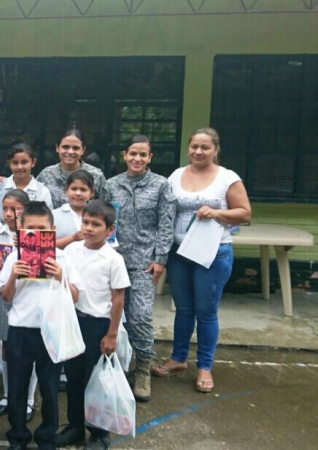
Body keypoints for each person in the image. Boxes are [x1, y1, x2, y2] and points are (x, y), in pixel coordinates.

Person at [152, 128, 251, 394]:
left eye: (205, 147)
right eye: (194, 146)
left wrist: (217, 212)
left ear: (216, 149)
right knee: (183, 309)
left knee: (206, 312)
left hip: (213, 253)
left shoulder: (227, 178)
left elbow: (245, 214)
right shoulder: (176, 175)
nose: (198, 152)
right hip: (179, 252)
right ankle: (178, 358)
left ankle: (205, 366)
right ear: (188, 148)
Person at [0, 201, 82, 450]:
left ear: (52, 230)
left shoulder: (63, 258)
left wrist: (60, 276)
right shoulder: (14, 256)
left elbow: (76, 296)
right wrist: (14, 274)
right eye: (30, 228)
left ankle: (47, 437)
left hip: (51, 329)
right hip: (20, 330)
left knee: (50, 387)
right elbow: (6, 296)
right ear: (22, 229)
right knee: (17, 386)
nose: (36, 233)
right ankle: (18, 436)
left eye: (42, 228)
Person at [104, 135, 175, 402]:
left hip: (145, 263)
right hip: (115, 260)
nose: (137, 159)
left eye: (143, 155)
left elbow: (166, 223)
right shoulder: (111, 185)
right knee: (109, 314)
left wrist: (161, 259)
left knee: (140, 316)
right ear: (125, 155)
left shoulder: (161, 185)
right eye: (133, 153)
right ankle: (114, 363)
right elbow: (104, 220)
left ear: (150, 157)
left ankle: (143, 367)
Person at [58, 199, 131, 450]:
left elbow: (118, 298)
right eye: (86, 222)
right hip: (72, 321)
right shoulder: (71, 251)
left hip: (98, 325)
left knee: (96, 380)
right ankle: (75, 426)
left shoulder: (113, 259)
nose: (88, 228)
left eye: (96, 224)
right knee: (74, 378)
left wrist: (112, 334)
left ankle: (99, 432)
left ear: (109, 230)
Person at [0, 190, 38, 422]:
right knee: (6, 345)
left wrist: (27, 244)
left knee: (31, 352)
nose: (9, 214)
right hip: (3, 295)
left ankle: (28, 399)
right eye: (5, 208)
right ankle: (8, 395)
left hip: (28, 301)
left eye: (15, 209)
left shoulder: (36, 235)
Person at [36, 129, 106, 209]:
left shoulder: (96, 176)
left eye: (75, 148)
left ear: (83, 150)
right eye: (65, 147)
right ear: (57, 148)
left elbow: (104, 208)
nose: (70, 152)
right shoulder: (45, 175)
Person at [0, 142, 51, 221]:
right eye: (15, 163)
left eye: (24, 162)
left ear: (33, 162)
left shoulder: (43, 191)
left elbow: (46, 221)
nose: (19, 167)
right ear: (9, 163)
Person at [53, 170, 94, 250]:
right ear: (66, 190)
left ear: (92, 193)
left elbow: (110, 244)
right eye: (74, 189)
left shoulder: (98, 215)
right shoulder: (54, 215)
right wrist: (73, 238)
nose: (78, 193)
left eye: (83, 190)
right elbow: (47, 244)